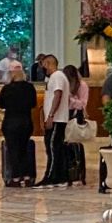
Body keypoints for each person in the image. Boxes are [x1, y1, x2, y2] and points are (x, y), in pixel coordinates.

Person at [0, 58, 40, 188]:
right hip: (26, 122)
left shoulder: (7, 88)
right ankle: (27, 177)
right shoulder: (30, 88)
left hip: (10, 122)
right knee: (24, 149)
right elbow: (34, 104)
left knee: (12, 150)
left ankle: (15, 178)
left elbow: (1, 104)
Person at [37, 55, 72, 186]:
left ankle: (51, 177)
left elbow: (58, 94)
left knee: (52, 147)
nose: (42, 68)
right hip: (56, 118)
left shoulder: (57, 76)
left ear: (48, 63)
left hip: (57, 119)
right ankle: (60, 176)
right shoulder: (57, 77)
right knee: (55, 147)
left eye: (43, 64)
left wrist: (51, 115)